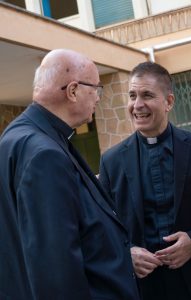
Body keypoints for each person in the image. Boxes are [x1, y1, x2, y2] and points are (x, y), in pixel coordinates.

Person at [0, 49, 140, 300]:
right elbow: (55, 266)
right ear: (73, 91)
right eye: (96, 89)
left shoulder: (18, 137)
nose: (98, 98)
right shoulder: (43, 154)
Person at [99, 61, 191, 300]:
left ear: (169, 102)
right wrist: (127, 253)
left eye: (147, 95)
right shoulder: (111, 161)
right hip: (143, 288)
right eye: (132, 95)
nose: (137, 105)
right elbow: (103, 225)